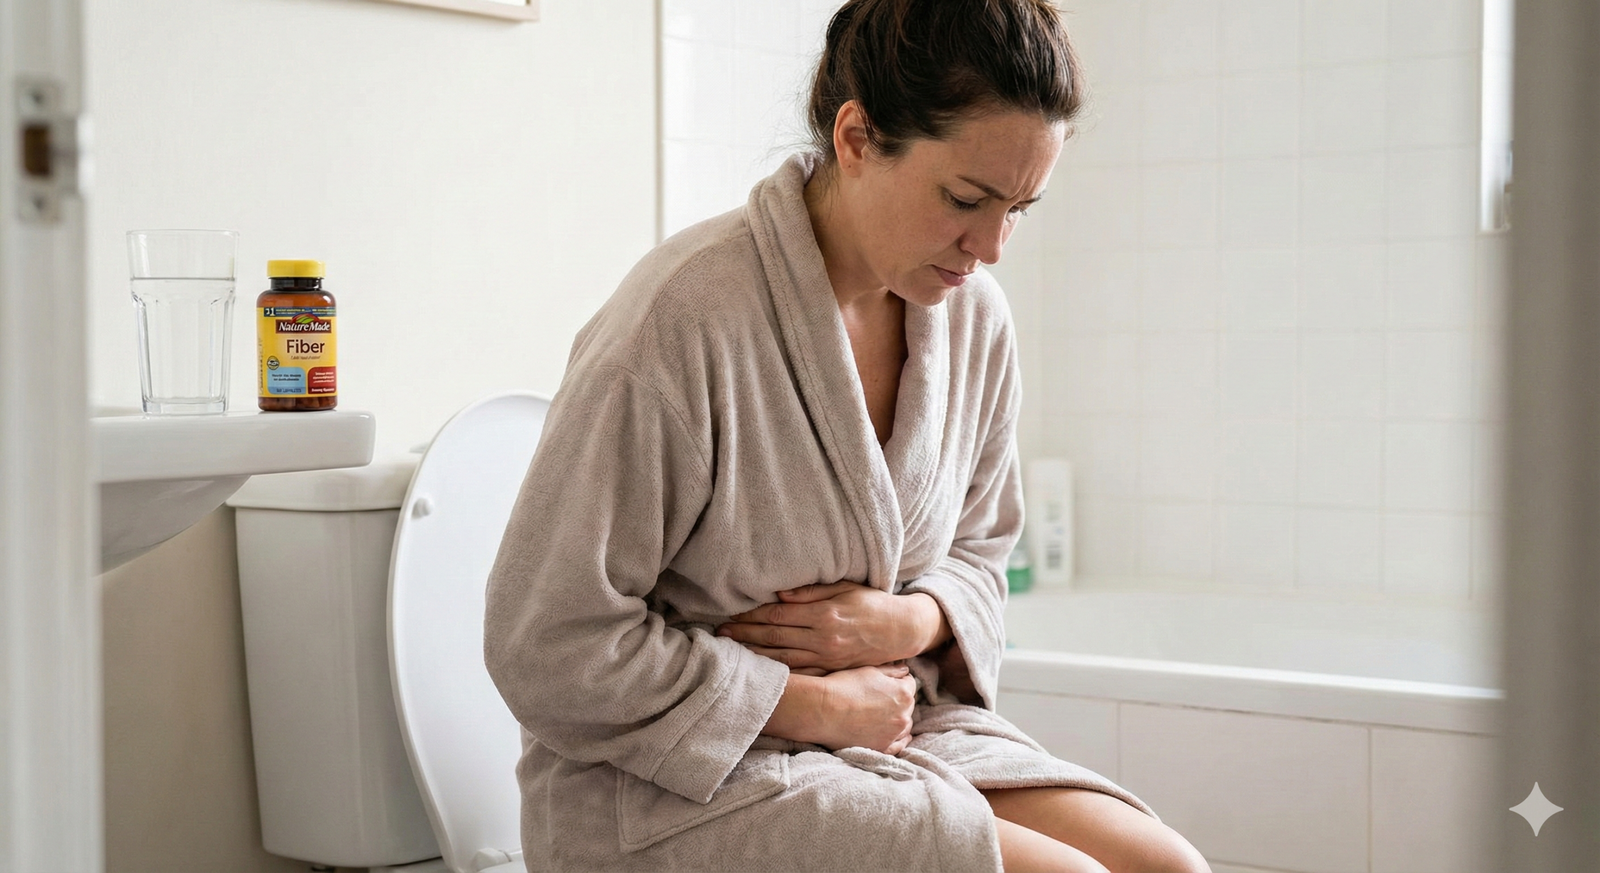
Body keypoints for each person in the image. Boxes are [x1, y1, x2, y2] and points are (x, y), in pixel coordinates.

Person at [484, 1, 1210, 870]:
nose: (991, 247)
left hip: (894, 722)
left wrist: (907, 621)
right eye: (967, 199)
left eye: (1020, 209)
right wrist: (803, 703)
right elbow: (546, 640)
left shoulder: (974, 319)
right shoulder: (681, 320)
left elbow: (980, 549)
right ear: (858, 136)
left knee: (1169, 867)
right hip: (672, 781)